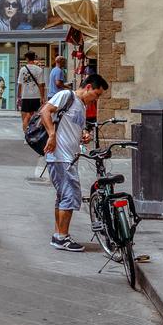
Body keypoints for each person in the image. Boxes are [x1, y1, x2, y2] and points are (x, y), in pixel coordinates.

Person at [42, 72, 111, 252]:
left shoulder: (80, 105)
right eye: (96, 94)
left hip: (68, 157)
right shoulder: (67, 95)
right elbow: (45, 111)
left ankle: (59, 234)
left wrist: (83, 135)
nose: (96, 99)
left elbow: (72, 128)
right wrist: (51, 135)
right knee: (70, 195)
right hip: (60, 157)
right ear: (88, 87)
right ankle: (62, 237)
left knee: (63, 196)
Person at [18, 52, 47, 130]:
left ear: (27, 58)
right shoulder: (39, 70)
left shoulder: (22, 70)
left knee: (24, 118)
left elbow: (20, 84)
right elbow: (41, 85)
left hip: (25, 96)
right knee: (36, 117)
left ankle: (26, 136)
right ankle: (33, 133)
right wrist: (42, 97)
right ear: (34, 58)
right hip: (36, 96)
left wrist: (19, 97)